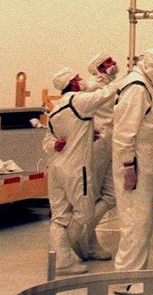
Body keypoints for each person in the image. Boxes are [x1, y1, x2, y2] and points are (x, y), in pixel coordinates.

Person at [45, 67, 117, 275]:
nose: (82, 80)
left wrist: (59, 143)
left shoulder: (56, 109)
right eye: (78, 78)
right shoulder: (77, 100)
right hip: (77, 169)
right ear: (73, 83)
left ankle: (63, 260)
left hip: (57, 167)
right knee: (84, 212)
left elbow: (49, 140)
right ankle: (73, 248)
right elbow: (105, 94)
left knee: (59, 217)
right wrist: (128, 78)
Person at [112, 47, 153, 276]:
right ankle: (126, 278)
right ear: (149, 67)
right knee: (135, 222)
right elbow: (124, 132)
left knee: (141, 221)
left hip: (144, 167)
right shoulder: (136, 88)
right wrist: (128, 167)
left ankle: (132, 274)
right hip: (135, 167)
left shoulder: (146, 86)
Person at [71, 51, 122, 260]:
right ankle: (84, 240)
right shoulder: (92, 88)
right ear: (99, 68)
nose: (114, 64)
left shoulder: (111, 88)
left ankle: (85, 232)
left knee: (112, 195)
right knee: (91, 194)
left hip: (112, 142)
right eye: (108, 62)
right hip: (98, 144)